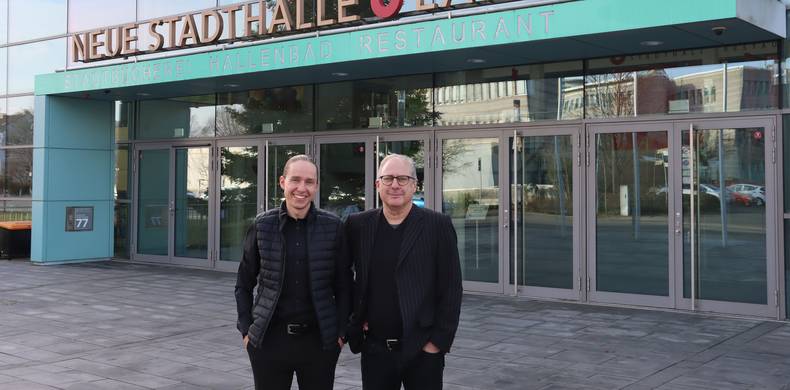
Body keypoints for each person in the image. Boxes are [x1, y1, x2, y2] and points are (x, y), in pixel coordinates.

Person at [345, 154, 462, 390]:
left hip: (423, 350)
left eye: (403, 178)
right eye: (388, 178)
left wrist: (437, 343)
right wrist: (353, 320)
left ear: (414, 185)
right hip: (375, 350)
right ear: (378, 184)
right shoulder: (357, 225)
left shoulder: (437, 226)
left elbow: (451, 287)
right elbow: (342, 278)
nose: (395, 185)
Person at [235, 154, 352, 390]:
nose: (302, 188)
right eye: (295, 180)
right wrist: (247, 330)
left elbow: (345, 285)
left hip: (319, 343)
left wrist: (341, 333)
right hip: (268, 341)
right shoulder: (262, 226)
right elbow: (243, 284)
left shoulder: (333, 227)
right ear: (282, 182)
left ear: (317, 186)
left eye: (309, 182)